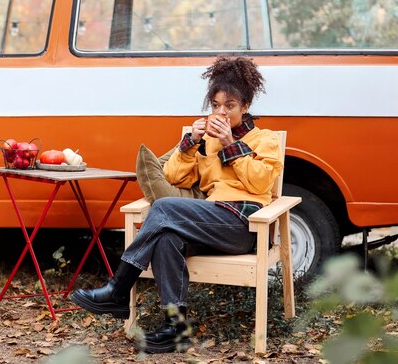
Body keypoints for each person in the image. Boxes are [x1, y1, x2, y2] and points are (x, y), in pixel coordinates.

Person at [71, 56, 283, 353]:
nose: (221, 113)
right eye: (216, 106)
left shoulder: (265, 140)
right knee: (167, 239)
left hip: (242, 226)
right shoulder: (205, 141)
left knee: (164, 207)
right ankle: (176, 328)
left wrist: (228, 145)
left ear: (245, 106)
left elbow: (260, 183)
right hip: (209, 223)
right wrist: (190, 142)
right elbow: (174, 175)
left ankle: (118, 289)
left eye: (230, 106)